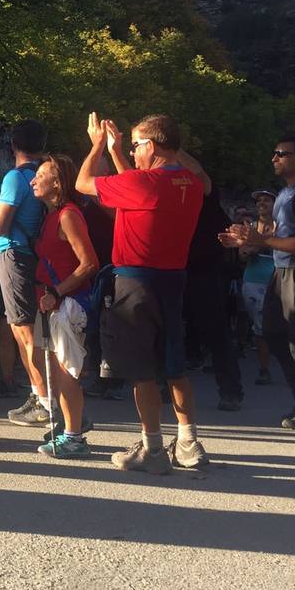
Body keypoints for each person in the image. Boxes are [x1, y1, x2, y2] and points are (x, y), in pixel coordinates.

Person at [76, 112, 209, 474]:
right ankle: (188, 442)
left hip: (135, 283)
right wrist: (120, 153)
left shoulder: (144, 183)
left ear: (151, 145)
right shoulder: (192, 184)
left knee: (142, 370)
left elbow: (84, 182)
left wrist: (99, 146)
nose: (133, 153)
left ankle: (152, 448)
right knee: (174, 364)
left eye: (136, 146)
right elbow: (134, 182)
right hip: (173, 279)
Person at [220, 136, 295, 431]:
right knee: (272, 333)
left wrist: (262, 240)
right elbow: (279, 241)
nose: (275, 158)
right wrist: (245, 240)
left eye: (282, 154)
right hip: (281, 271)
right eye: (275, 153)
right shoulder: (285, 194)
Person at [31, 154, 99, 458]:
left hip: (68, 304)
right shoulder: (52, 215)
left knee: (66, 371)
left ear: (57, 182)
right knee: (57, 370)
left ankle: (74, 435)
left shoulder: (67, 215)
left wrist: (57, 292)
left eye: (41, 175)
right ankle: (68, 427)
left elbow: (89, 264)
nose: (33, 180)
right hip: (53, 302)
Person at [0, 120, 51, 428]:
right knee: (22, 328)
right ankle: (39, 394)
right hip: (29, 253)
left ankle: (43, 399)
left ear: (13, 144)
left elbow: (1, 224)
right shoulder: (38, 176)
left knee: (24, 330)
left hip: (13, 253)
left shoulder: (15, 178)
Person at [185, 184, 244, 411]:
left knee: (217, 332)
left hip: (205, 271)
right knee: (163, 330)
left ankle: (231, 390)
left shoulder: (206, 196)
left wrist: (170, 149)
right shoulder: (169, 197)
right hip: (174, 268)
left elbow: (201, 177)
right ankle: (163, 387)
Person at [240, 190, 278, 386]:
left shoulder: (282, 227)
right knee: (259, 327)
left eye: (267, 200)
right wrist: (250, 250)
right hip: (253, 280)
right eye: (259, 201)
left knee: (281, 325)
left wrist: (259, 245)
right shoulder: (250, 227)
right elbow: (243, 252)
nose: (262, 203)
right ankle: (264, 369)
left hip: (276, 280)